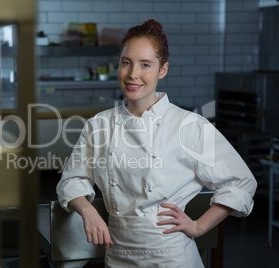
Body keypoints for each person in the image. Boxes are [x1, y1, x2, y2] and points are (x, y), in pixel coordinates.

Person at [56, 19, 257, 267]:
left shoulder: (188, 125)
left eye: (146, 65)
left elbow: (241, 181)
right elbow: (72, 180)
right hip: (118, 256)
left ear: (163, 70)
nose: (133, 74)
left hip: (171, 257)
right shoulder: (99, 126)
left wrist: (197, 226)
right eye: (126, 63)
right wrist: (88, 211)